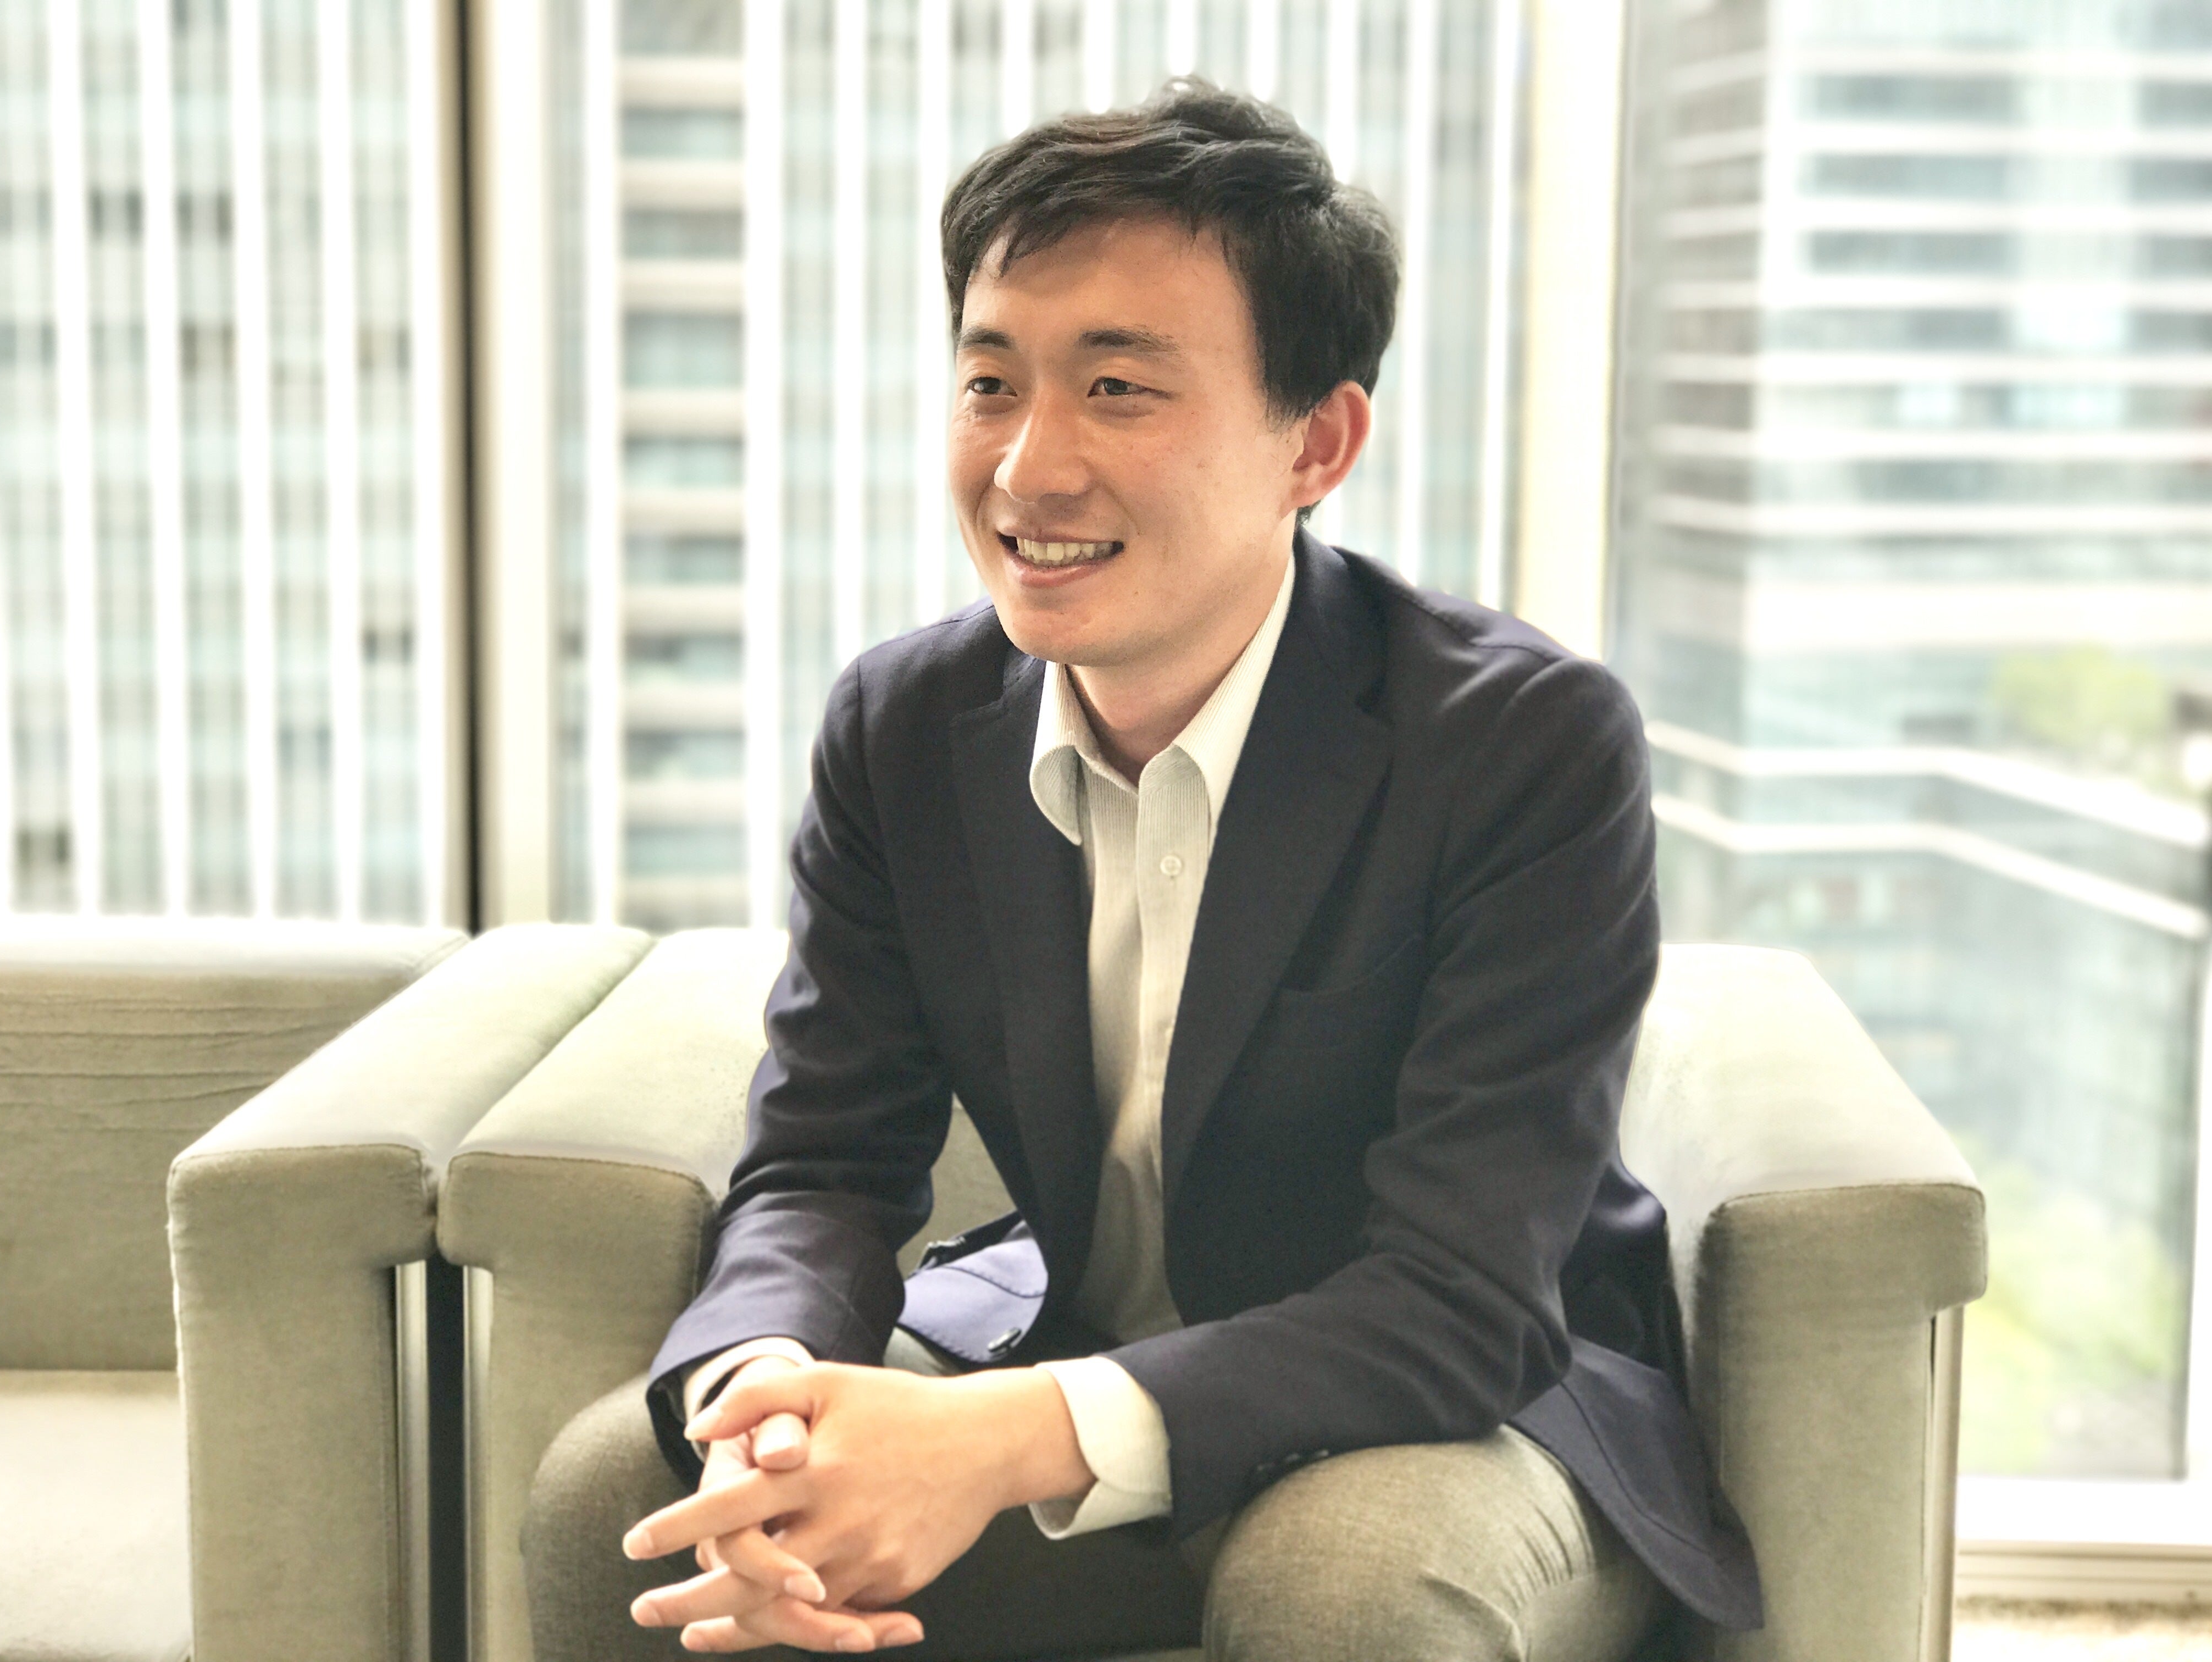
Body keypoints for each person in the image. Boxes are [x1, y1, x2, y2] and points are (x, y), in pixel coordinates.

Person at [607, 79, 1760, 1661]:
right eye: (991, 382)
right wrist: (766, 1397)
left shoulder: (1520, 742)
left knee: (1347, 1591)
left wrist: (1002, 1438)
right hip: (1066, 1337)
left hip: (1464, 1400)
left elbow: (1462, 1297)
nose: (1029, 468)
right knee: (635, 1502)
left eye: (1119, 391)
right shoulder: (904, 725)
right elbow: (822, 1162)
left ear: (1317, 442)